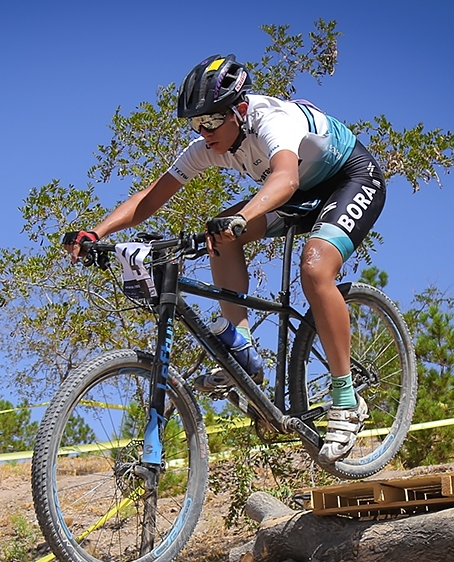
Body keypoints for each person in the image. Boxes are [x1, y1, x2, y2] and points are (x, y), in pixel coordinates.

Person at [62, 54, 386, 464]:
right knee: (220, 236)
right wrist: (98, 232)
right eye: (196, 124)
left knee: (315, 266)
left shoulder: (273, 121)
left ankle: (346, 400)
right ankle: (243, 342)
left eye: (212, 121)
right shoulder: (207, 147)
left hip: (350, 179)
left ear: (241, 109)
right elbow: (151, 197)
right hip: (298, 192)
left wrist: (243, 217)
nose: (204, 131)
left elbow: (284, 178)